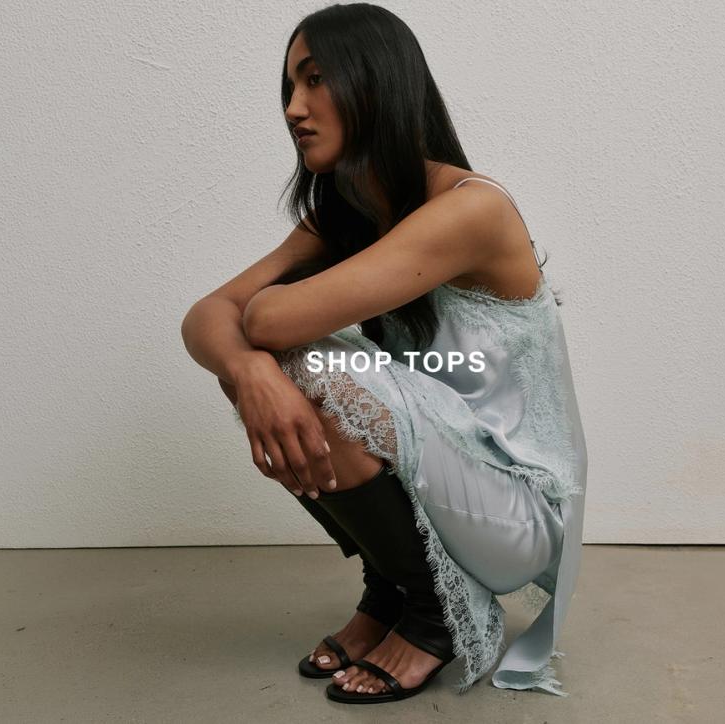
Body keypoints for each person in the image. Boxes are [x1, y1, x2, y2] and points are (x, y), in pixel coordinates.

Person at [181, 3, 587, 704]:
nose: (294, 108)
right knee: (260, 373)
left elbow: (267, 315)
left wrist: (258, 347)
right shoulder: (350, 210)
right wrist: (246, 368)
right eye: (287, 87)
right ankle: (389, 591)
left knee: (307, 367)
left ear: (378, 83)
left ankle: (435, 617)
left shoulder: (470, 208)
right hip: (448, 482)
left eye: (315, 81)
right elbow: (205, 318)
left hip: (517, 513)